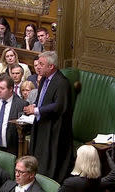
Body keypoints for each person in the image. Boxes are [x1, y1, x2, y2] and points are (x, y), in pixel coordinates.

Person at [24, 51, 74, 183]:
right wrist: (35, 106)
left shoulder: (62, 82)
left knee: (48, 160)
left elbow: (59, 106)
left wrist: (36, 110)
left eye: (41, 64)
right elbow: (43, 99)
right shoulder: (45, 79)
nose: (38, 67)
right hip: (41, 124)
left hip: (54, 128)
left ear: (51, 66)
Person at [0, 74, 28, 155]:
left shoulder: (21, 105)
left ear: (11, 89)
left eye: (2, 88)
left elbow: (24, 129)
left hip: (11, 149)